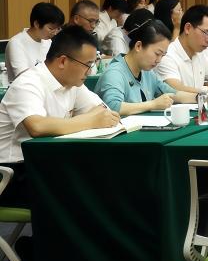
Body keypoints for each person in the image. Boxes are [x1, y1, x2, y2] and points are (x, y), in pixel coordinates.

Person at [0, 27, 121, 205]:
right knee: (87, 190)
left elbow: (104, 113)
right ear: (63, 61)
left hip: (47, 164)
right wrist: (89, 120)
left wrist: (94, 118)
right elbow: (37, 126)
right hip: (13, 173)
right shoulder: (27, 83)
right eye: (87, 65)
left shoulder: (72, 84)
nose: (90, 72)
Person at [94, 17, 196, 114]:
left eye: (162, 55)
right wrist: (153, 104)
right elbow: (113, 106)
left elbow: (172, 93)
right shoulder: (114, 73)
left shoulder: (147, 72)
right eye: (157, 54)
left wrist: (198, 98)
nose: (159, 60)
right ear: (138, 46)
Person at [155, 4, 208, 98]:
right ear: (188, 28)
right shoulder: (167, 55)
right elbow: (175, 89)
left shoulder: (200, 54)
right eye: (206, 33)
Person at [5, 2, 64, 82]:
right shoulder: (16, 43)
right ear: (36, 24)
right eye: (51, 28)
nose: (55, 33)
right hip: (25, 88)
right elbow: (24, 76)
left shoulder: (48, 42)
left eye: (58, 29)